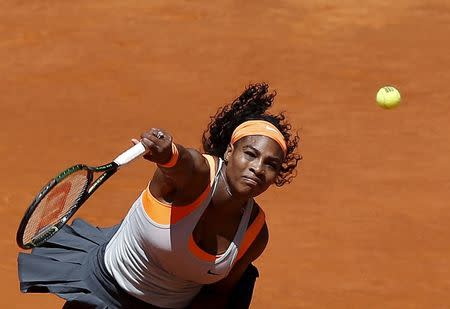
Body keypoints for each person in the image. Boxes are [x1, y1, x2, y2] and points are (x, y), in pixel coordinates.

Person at [18, 83, 301, 308]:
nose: (257, 168)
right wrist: (166, 153)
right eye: (250, 154)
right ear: (229, 152)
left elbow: (216, 295)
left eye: (270, 164)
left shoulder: (254, 233)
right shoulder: (198, 175)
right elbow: (182, 162)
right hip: (107, 290)